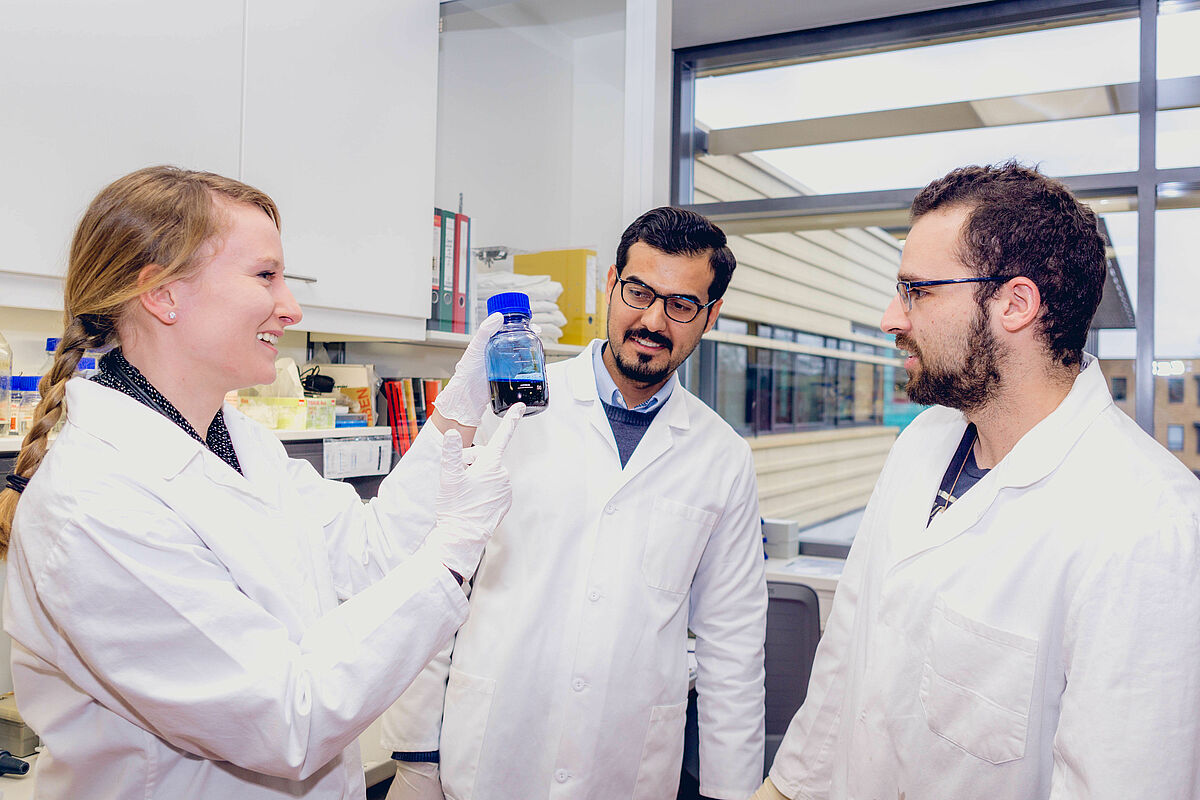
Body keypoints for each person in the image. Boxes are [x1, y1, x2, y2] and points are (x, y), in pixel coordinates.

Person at [0, 165, 526, 799]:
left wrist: (456, 413)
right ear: (163, 294)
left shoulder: (239, 442)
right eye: (265, 275)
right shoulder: (94, 503)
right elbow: (287, 721)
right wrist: (456, 550)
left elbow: (371, 554)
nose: (291, 307)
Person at [751, 163, 1200, 800]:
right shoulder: (920, 445)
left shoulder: (1148, 524)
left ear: (1015, 304)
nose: (890, 317)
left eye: (917, 291)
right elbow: (845, 665)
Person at [381, 207, 768, 800]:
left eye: (681, 305)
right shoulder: (508, 407)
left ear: (710, 316)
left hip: (625, 767)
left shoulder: (722, 457)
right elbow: (434, 579)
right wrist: (416, 753)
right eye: (639, 291)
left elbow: (733, 646)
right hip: (488, 755)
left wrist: (730, 793)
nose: (652, 320)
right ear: (611, 285)